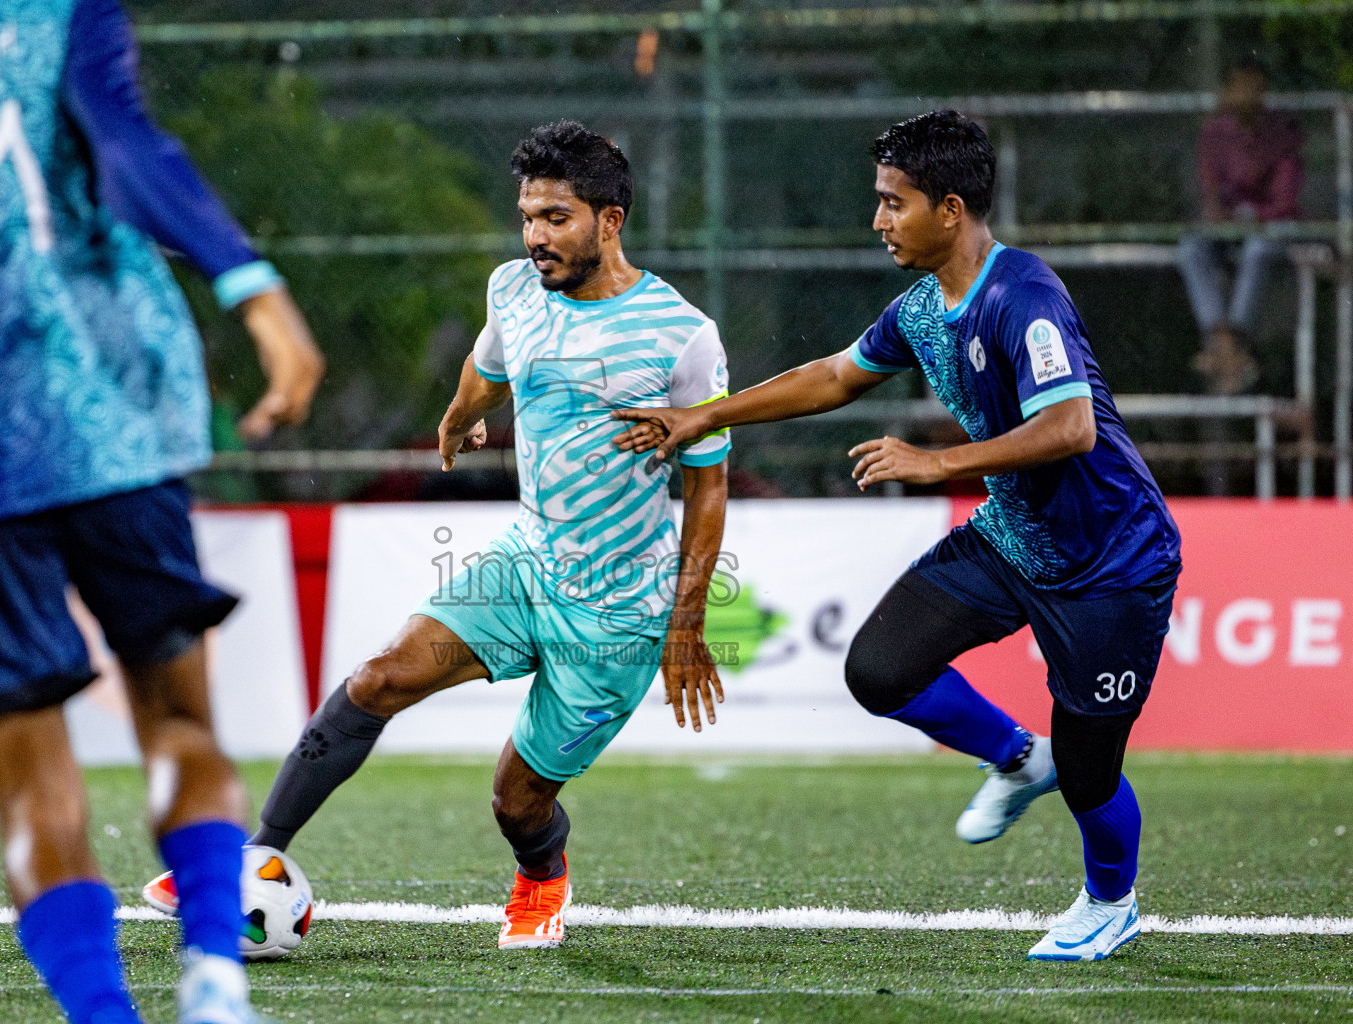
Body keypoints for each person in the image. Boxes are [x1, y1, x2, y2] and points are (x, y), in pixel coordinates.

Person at [0, 1, 325, 1022]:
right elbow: (128, 143)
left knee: (28, 776)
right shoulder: (57, 12)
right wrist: (254, 288)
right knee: (179, 717)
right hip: (113, 427)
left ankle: (104, 1015)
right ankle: (215, 985)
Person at [145, 120, 733, 950]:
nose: (536, 237)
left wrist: (685, 620)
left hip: (618, 614)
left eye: (556, 218)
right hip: (524, 566)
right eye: (528, 216)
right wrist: (458, 420)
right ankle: (248, 860)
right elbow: (490, 365)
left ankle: (541, 876)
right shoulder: (515, 289)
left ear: (610, 221)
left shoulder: (682, 335)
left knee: (516, 801)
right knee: (380, 678)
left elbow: (708, 489)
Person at [614, 110, 1181, 962]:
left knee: (1092, 766)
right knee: (879, 669)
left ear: (951, 209)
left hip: (1113, 563)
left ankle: (1112, 901)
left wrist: (935, 463)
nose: (878, 220)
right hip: (1015, 540)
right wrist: (705, 415)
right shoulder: (923, 307)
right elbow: (838, 375)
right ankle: (1015, 760)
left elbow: (1071, 430)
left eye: (893, 203)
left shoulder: (1022, 295)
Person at [1178, 59, 1303, 396]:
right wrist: (1222, 215)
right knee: (1191, 248)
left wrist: (1251, 216)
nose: (1247, 95)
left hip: (1269, 226)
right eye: (1239, 86)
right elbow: (1211, 193)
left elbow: (1285, 202)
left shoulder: (1282, 133)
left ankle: (1232, 341)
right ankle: (1223, 341)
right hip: (1229, 226)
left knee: (1260, 250)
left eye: (1254, 87)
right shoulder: (1214, 133)